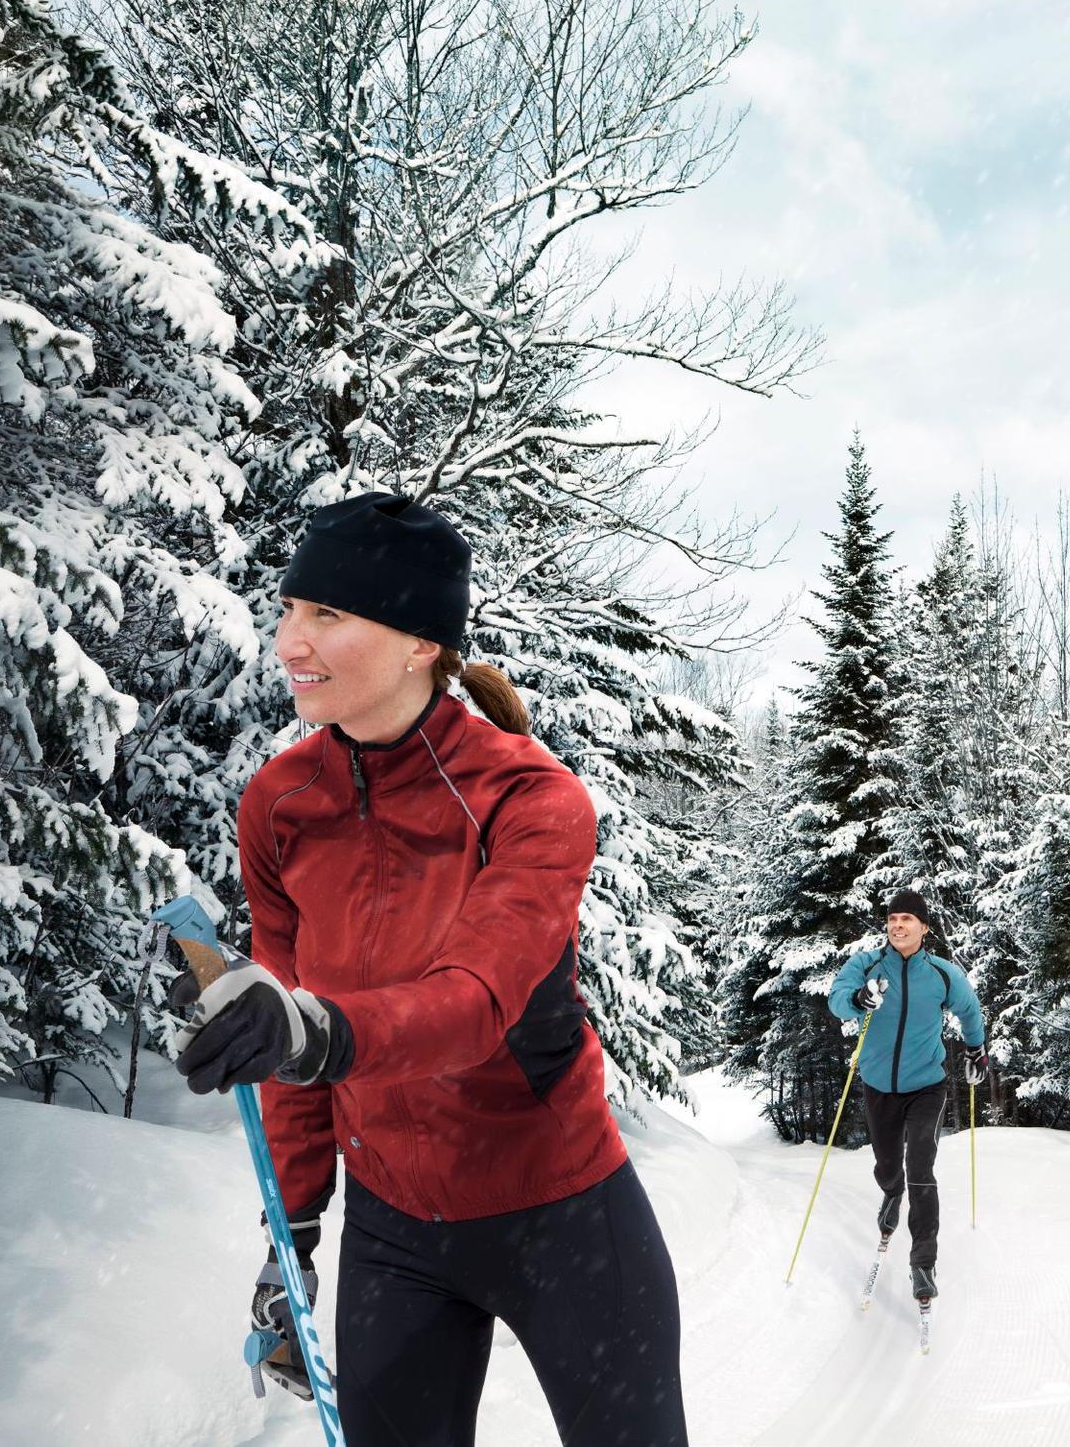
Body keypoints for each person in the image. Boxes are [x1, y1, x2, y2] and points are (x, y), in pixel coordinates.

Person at [168, 491, 687, 1447]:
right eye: (288, 610)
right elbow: (286, 1034)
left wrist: (311, 1030)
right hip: (394, 1231)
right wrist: (293, 1235)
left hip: (560, 1214)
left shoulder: (529, 798)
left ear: (419, 643)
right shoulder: (281, 805)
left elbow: (476, 1000)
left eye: (327, 615)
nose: (289, 643)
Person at [826, 890, 987, 1303]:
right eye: (893, 919)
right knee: (886, 1163)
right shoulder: (867, 966)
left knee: (920, 1162)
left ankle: (923, 1263)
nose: (898, 925)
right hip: (879, 1084)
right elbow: (838, 998)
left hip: (926, 1086)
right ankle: (891, 1192)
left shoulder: (942, 974)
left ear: (924, 928)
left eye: (907, 919)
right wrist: (859, 999)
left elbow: (970, 1010)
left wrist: (975, 1050)